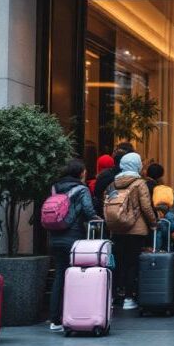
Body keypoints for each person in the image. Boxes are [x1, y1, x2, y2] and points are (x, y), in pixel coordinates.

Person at [47, 159, 98, 332]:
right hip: (73, 237)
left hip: (55, 236)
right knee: (75, 277)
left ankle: (55, 320)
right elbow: (89, 211)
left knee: (59, 276)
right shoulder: (81, 189)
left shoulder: (55, 187)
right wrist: (98, 219)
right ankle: (73, 315)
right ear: (80, 172)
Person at [107, 151, 157, 310]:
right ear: (137, 165)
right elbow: (146, 207)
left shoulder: (113, 183)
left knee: (118, 263)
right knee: (132, 263)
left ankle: (114, 296)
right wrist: (153, 223)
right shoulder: (139, 183)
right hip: (135, 229)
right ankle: (129, 297)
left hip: (117, 228)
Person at [94, 142, 134, 214]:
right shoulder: (134, 179)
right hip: (128, 217)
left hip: (105, 214)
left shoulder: (103, 175)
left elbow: (97, 196)